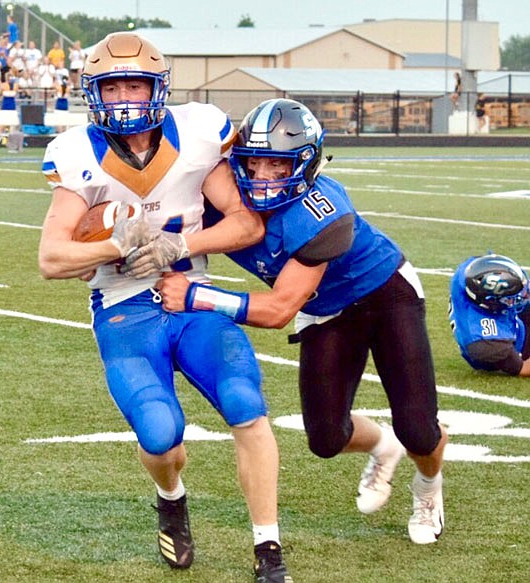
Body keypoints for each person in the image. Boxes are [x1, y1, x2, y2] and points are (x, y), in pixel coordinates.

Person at [38, 32, 292, 582]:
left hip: (192, 294)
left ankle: (268, 547)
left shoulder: (199, 131)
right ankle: (170, 497)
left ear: (158, 87)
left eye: (135, 83)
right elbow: (51, 257)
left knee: (245, 401)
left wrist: (181, 245)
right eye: (113, 86)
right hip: (123, 307)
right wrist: (113, 245)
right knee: (159, 434)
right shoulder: (78, 152)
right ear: (93, 93)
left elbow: (246, 221)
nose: (126, 98)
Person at [144, 98, 449, 545]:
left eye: (278, 166)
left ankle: (428, 489)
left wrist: (199, 296)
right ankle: (384, 445)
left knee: (419, 427)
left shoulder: (323, 213)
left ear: (306, 167)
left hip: (384, 293)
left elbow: (280, 308)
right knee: (326, 438)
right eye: (254, 163)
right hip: (327, 310)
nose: (263, 177)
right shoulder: (224, 195)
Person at [449, 253, 530, 376]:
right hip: (507, 347)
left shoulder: (468, 273)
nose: (524, 295)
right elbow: (522, 368)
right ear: (492, 303)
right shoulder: (487, 343)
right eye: (510, 299)